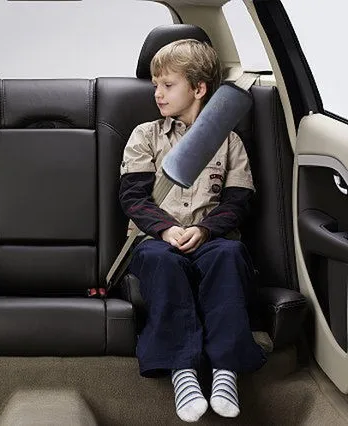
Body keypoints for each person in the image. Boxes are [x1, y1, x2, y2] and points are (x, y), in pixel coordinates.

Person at [119, 40, 266, 422]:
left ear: (199, 88)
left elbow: (237, 202)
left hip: (211, 239)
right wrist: (166, 230)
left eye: (168, 85)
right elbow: (134, 198)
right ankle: (183, 373)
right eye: (156, 85)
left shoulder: (229, 141)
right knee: (162, 263)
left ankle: (225, 373)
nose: (158, 93)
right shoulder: (145, 135)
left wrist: (203, 229)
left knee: (230, 255)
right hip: (157, 241)